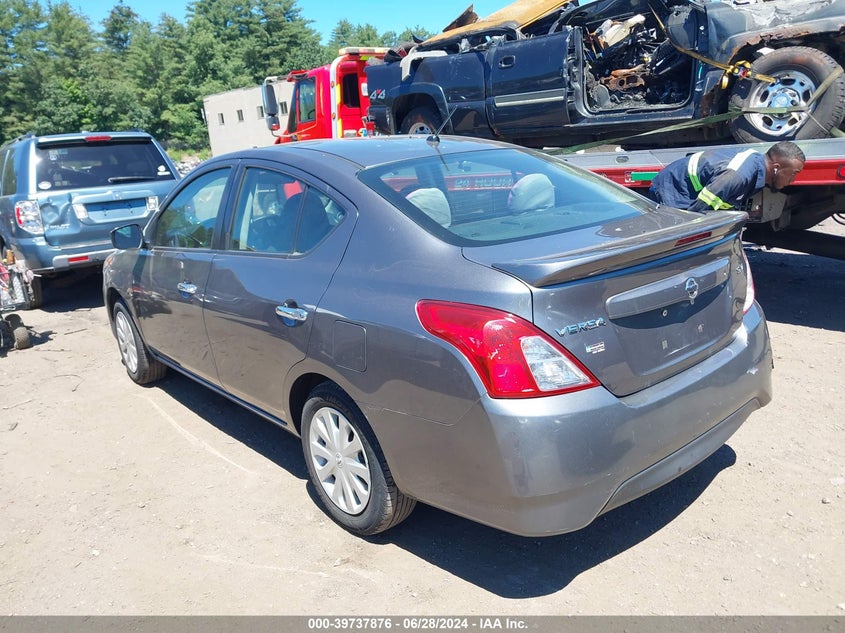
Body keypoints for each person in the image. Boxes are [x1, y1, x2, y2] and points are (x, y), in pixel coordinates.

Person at [648, 140, 806, 213]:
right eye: (793, 174)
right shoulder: (737, 176)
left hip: (683, 190)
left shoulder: (756, 167)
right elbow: (696, 214)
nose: (793, 181)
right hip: (672, 191)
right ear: (776, 168)